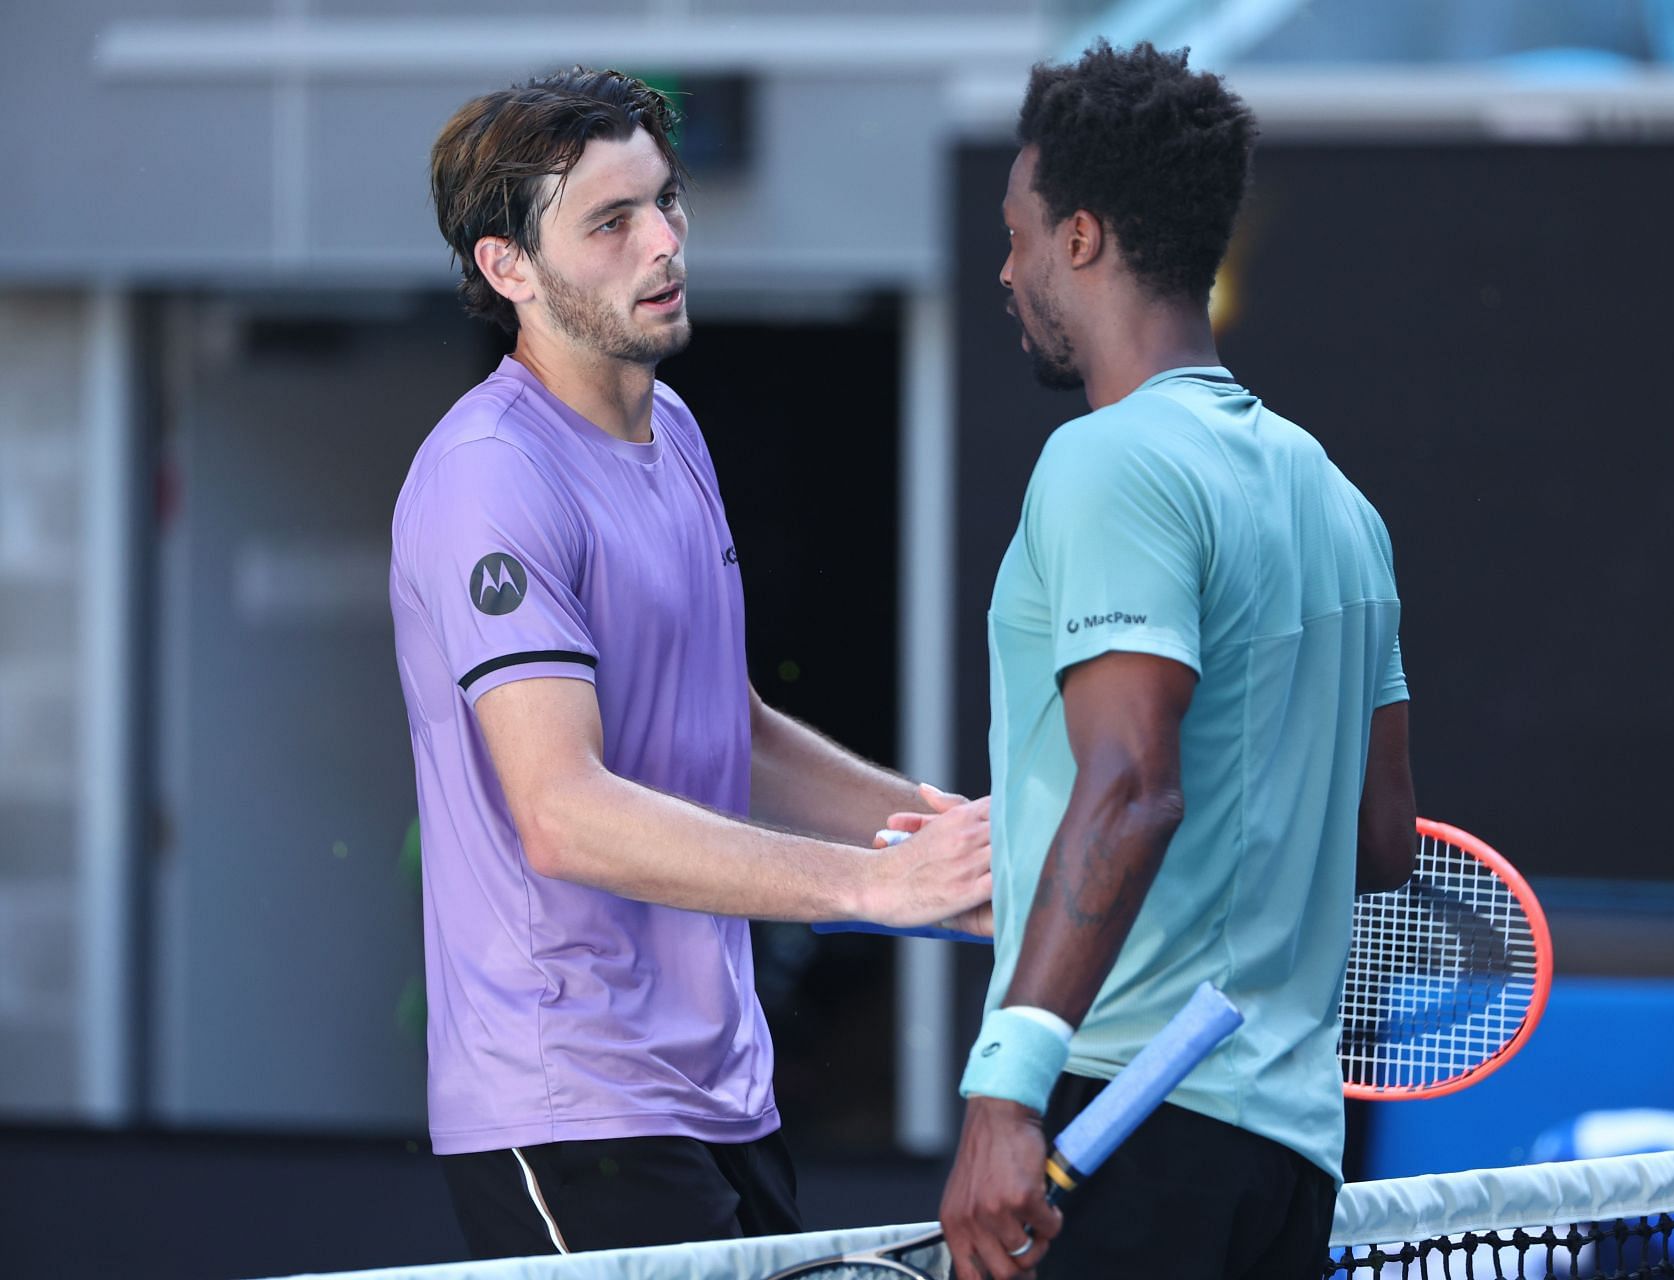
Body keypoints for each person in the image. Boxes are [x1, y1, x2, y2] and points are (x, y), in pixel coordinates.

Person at [390, 67, 992, 1260]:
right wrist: (875, 888)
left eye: (665, 203)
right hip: (569, 1105)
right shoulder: (487, 478)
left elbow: (741, 729)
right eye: (611, 223)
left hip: (723, 1090)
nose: (663, 242)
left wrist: (954, 844)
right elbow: (564, 814)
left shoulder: (675, 429)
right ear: (510, 267)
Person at [932, 42, 1417, 1280]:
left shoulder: (1108, 460)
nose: (1007, 268)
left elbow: (1137, 786)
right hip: (1288, 1163)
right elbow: (1378, 842)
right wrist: (1041, 841)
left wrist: (1005, 1087)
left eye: (1020, 233)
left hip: (1117, 1125)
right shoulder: (1342, 505)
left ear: (1082, 237)